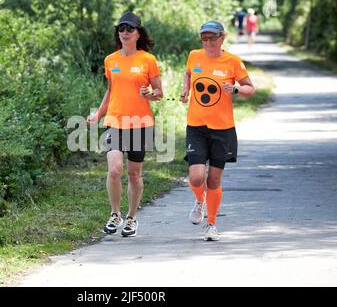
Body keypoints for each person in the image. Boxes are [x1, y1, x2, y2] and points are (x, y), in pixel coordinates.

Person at [87, 12, 163, 237]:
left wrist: (150, 93)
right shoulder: (111, 60)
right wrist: (98, 115)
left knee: (134, 175)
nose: (125, 33)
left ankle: (131, 218)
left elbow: (159, 93)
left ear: (139, 33)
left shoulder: (148, 60)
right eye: (121, 29)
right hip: (115, 121)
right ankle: (115, 214)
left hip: (140, 123)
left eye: (130, 29)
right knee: (114, 169)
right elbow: (110, 91)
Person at [180, 21, 255, 241]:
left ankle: (211, 224)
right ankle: (200, 200)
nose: (208, 42)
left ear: (222, 38)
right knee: (196, 177)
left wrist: (237, 89)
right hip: (196, 126)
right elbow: (188, 73)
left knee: (213, 180)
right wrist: (186, 90)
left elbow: (250, 89)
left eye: (212, 38)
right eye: (204, 38)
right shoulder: (194, 56)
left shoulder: (232, 61)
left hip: (223, 129)